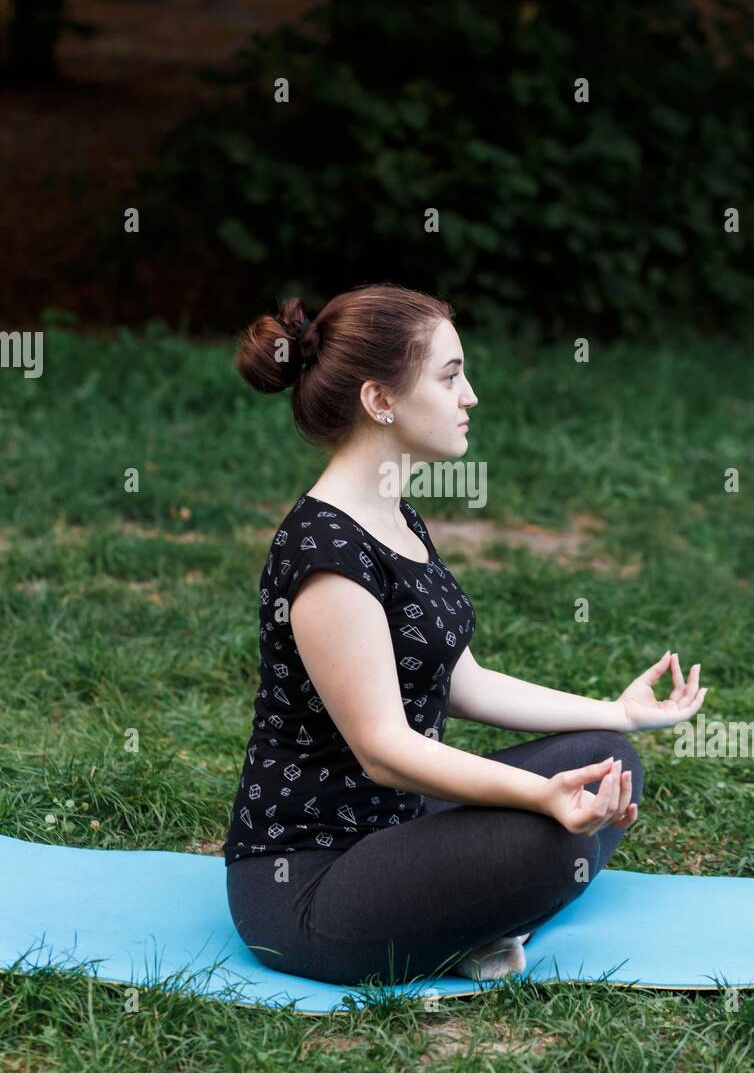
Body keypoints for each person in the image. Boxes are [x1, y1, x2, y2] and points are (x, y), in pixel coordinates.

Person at [223, 282, 708, 987]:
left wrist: (619, 711)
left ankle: (465, 920)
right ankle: (463, 924)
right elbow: (385, 751)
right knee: (553, 836)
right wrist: (538, 796)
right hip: (308, 886)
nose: (470, 395)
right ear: (379, 400)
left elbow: (462, 682)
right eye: (449, 377)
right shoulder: (325, 557)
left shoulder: (394, 516)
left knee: (610, 761)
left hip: (394, 826)